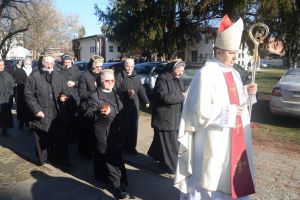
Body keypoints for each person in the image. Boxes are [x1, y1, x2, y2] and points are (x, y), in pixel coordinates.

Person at [174, 15, 257, 200]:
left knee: (229, 174)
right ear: (218, 52)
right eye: (231, 53)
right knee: (209, 178)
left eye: (236, 53)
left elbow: (234, 99)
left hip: (232, 136)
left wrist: (246, 92)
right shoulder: (206, 74)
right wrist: (229, 112)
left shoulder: (234, 73)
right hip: (211, 136)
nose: (235, 57)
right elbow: (198, 112)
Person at [85, 69, 128, 199]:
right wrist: (101, 113)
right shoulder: (94, 96)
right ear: (101, 81)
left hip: (116, 129)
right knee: (110, 156)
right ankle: (117, 186)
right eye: (107, 80)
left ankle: (100, 175)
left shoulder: (116, 92)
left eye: (112, 80)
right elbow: (88, 114)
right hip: (102, 130)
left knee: (103, 154)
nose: (110, 83)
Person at [24, 55, 71, 168]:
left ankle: (61, 161)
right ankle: (43, 160)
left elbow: (66, 90)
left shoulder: (59, 75)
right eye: (46, 63)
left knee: (59, 137)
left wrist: (64, 96)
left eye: (51, 63)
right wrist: (37, 110)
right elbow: (28, 96)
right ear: (42, 63)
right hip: (42, 112)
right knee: (43, 137)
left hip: (57, 111)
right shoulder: (34, 76)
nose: (49, 65)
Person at [147, 59, 187, 173]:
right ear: (171, 69)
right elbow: (164, 97)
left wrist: (185, 94)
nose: (180, 73)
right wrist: (182, 95)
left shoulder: (179, 79)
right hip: (164, 117)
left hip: (175, 115)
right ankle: (171, 167)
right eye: (178, 70)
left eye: (182, 70)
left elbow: (182, 92)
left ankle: (157, 155)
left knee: (164, 141)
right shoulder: (162, 79)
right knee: (170, 144)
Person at [115, 58, 150, 154]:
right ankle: (122, 145)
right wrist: (126, 93)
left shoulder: (136, 76)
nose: (129, 68)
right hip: (123, 106)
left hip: (134, 106)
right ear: (124, 66)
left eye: (131, 66)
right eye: (127, 66)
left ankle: (132, 147)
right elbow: (115, 90)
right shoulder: (119, 75)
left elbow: (141, 89)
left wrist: (146, 100)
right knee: (123, 127)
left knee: (133, 127)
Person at [77, 55, 104, 159]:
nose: (99, 68)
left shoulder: (101, 74)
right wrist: (95, 91)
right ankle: (85, 152)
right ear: (92, 65)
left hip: (98, 106)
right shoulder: (84, 75)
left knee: (95, 131)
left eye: (101, 66)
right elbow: (81, 94)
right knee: (86, 132)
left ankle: (94, 149)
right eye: (97, 66)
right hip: (86, 107)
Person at [58, 54, 81, 142]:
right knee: (66, 117)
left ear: (71, 61)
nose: (67, 64)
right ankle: (68, 137)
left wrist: (75, 83)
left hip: (75, 96)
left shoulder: (76, 69)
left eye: (68, 62)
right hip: (64, 95)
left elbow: (81, 80)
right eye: (65, 62)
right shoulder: (59, 70)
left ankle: (75, 136)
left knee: (75, 116)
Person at [13, 57, 33, 129]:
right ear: (23, 64)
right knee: (22, 107)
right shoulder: (19, 71)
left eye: (29, 64)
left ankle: (29, 123)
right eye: (26, 64)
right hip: (21, 92)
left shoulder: (33, 71)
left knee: (30, 107)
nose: (28, 65)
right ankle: (21, 122)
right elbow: (17, 81)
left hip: (31, 93)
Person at [0, 59, 15, 137]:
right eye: (0, 65)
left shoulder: (8, 75)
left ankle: (4, 131)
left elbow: (12, 86)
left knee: (5, 117)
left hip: (6, 100)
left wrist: (11, 96)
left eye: (2, 65)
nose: (1, 67)